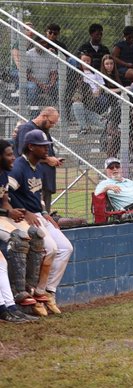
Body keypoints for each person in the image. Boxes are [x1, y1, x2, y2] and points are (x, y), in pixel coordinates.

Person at [9, 129, 72, 315]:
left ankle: (47, 291)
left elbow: (38, 194)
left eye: (47, 146)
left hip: (39, 215)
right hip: (24, 216)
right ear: (30, 147)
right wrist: (26, 211)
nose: (47, 149)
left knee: (66, 248)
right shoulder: (18, 167)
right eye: (42, 146)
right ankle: (35, 293)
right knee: (51, 248)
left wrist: (45, 212)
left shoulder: (37, 167)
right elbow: (8, 193)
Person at [0, 139, 46, 319]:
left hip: (3, 217)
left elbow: (4, 201)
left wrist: (13, 212)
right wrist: (8, 212)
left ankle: (29, 289)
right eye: (9, 155)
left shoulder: (4, 174)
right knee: (18, 239)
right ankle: (16, 295)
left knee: (36, 235)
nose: (13, 158)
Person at [15, 107, 63, 211]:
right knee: (36, 213)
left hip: (45, 180)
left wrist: (54, 159)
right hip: (33, 181)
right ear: (44, 116)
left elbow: (47, 153)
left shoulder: (44, 130)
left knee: (45, 213)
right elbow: (23, 154)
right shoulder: (27, 128)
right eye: (51, 122)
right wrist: (48, 160)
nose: (52, 125)